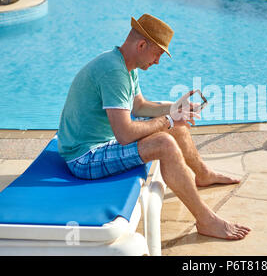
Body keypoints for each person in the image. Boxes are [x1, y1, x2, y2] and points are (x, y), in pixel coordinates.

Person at [57, 14, 251, 240]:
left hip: (102, 141)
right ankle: (206, 220)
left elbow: (139, 106)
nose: (158, 61)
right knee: (164, 142)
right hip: (84, 157)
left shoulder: (124, 64)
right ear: (141, 45)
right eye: (158, 53)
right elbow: (125, 134)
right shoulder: (113, 72)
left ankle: (203, 174)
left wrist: (174, 109)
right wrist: (167, 121)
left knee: (174, 127)